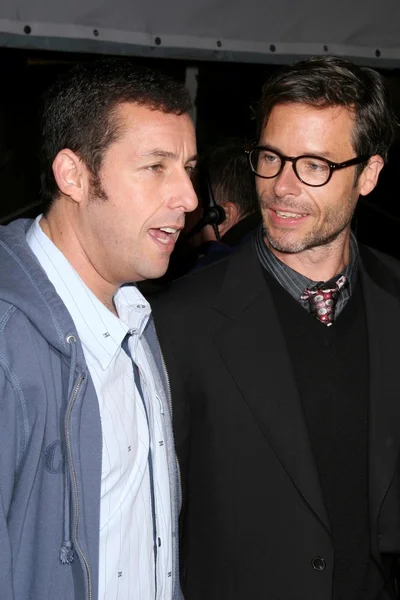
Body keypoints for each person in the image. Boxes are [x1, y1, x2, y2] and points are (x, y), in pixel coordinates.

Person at [152, 56, 400, 599]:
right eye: (271, 158)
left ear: (370, 175)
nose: (282, 187)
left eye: (313, 165)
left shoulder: (394, 300)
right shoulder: (179, 324)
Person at [0, 59, 197, 600]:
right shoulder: (8, 343)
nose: (188, 197)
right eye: (156, 166)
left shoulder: (135, 319)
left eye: (187, 167)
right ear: (74, 176)